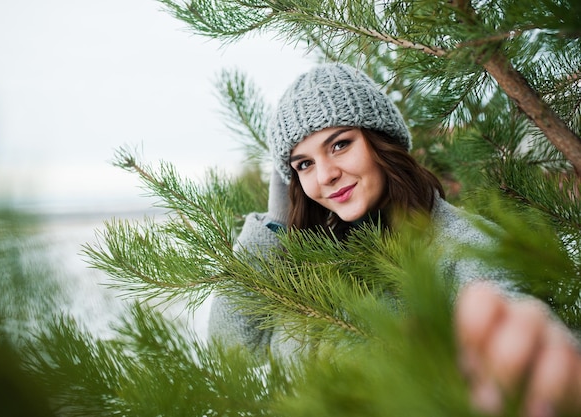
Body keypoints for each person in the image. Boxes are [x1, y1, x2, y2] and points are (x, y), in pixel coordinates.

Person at [209, 63, 581, 416]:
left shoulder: (461, 245)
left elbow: (513, 327)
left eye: (339, 145)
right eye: (303, 164)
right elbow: (232, 353)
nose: (325, 175)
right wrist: (275, 225)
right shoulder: (308, 255)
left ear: (380, 140)